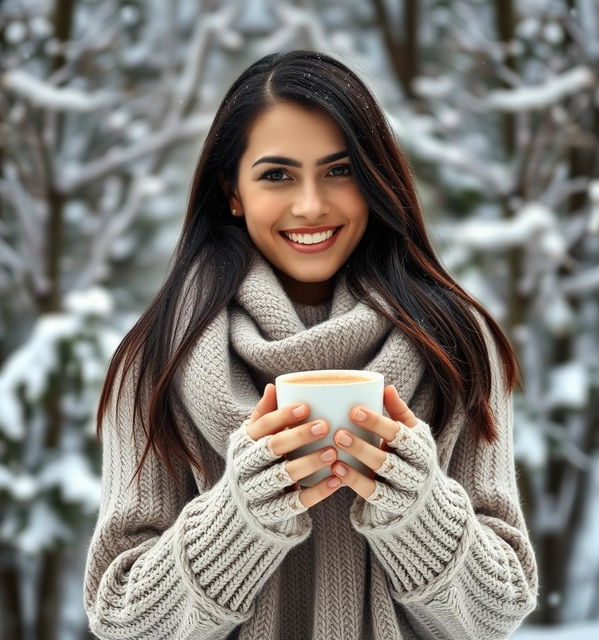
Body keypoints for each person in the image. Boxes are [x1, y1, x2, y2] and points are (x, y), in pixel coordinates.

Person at [83, 49, 538, 639]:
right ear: (232, 191)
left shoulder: (455, 342)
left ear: (375, 180)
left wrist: (421, 510)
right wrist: (238, 519)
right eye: (277, 175)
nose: (310, 205)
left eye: (339, 170)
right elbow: (122, 620)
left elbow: (498, 612)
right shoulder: (159, 355)